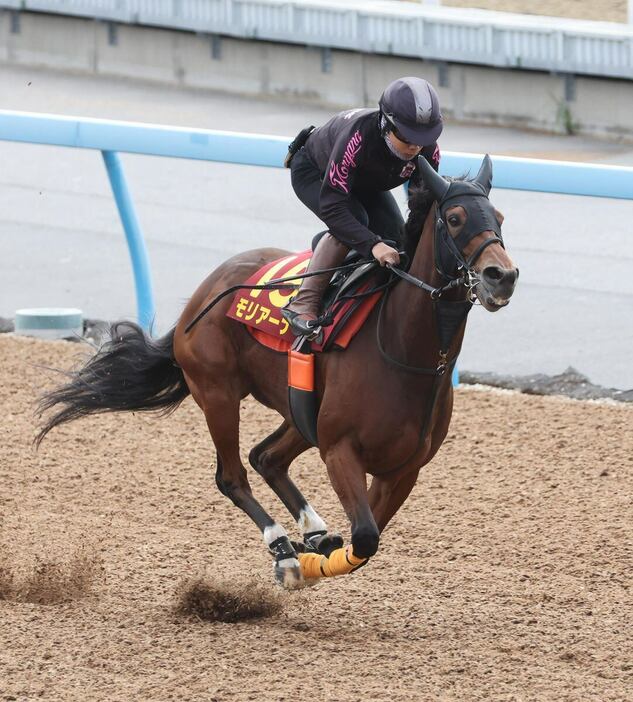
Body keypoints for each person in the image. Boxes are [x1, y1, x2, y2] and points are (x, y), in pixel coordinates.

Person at [281, 76, 443, 339]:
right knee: (355, 220)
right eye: (406, 136)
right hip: (315, 173)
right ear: (386, 124)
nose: (415, 145)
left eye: (424, 137)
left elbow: (422, 206)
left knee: (399, 239)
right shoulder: (357, 137)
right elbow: (334, 206)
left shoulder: (427, 149)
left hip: (364, 182)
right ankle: (304, 302)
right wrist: (371, 244)